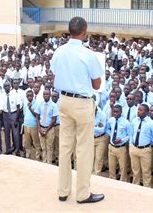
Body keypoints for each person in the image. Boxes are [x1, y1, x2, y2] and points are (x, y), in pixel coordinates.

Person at [51, 17, 104, 203]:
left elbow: (55, 73)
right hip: (82, 104)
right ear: (84, 31)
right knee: (84, 149)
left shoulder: (59, 51)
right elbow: (97, 84)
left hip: (64, 100)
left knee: (65, 147)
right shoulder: (88, 54)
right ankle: (82, 194)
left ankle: (63, 191)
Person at [129, 104, 153, 187]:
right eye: (138, 109)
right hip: (134, 148)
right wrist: (131, 144)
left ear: (146, 112)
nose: (138, 111)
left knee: (146, 172)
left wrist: (147, 144)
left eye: (141, 110)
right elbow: (131, 134)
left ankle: (147, 190)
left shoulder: (151, 123)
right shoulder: (134, 121)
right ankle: (135, 187)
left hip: (145, 150)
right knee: (135, 171)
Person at [106, 105, 131, 182]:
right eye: (114, 111)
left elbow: (129, 135)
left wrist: (121, 140)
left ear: (121, 112)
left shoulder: (126, 123)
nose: (115, 113)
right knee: (111, 166)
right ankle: (112, 180)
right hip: (111, 147)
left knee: (123, 167)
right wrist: (112, 136)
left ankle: (123, 181)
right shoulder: (110, 120)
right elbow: (107, 129)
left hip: (121, 147)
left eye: (117, 112)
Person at [34, 89, 58, 164]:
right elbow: (37, 117)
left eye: (47, 94)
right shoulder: (40, 104)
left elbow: (54, 120)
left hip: (49, 129)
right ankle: (44, 163)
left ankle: (49, 164)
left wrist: (46, 130)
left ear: (50, 95)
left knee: (49, 148)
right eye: (44, 94)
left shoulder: (54, 106)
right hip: (41, 128)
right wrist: (39, 129)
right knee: (43, 148)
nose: (45, 96)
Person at [23, 90, 40, 160]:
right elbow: (24, 113)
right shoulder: (25, 103)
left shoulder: (36, 103)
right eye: (28, 96)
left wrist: (30, 108)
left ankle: (38, 157)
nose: (29, 97)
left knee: (36, 143)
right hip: (26, 125)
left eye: (31, 96)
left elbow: (36, 115)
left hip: (34, 126)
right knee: (27, 143)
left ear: (33, 96)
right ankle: (28, 156)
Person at [93, 103, 107, 175]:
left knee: (99, 157)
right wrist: (96, 126)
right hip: (90, 138)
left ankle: (96, 174)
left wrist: (91, 126)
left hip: (100, 138)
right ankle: (90, 173)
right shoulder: (88, 112)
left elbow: (102, 130)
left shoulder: (102, 115)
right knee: (91, 157)